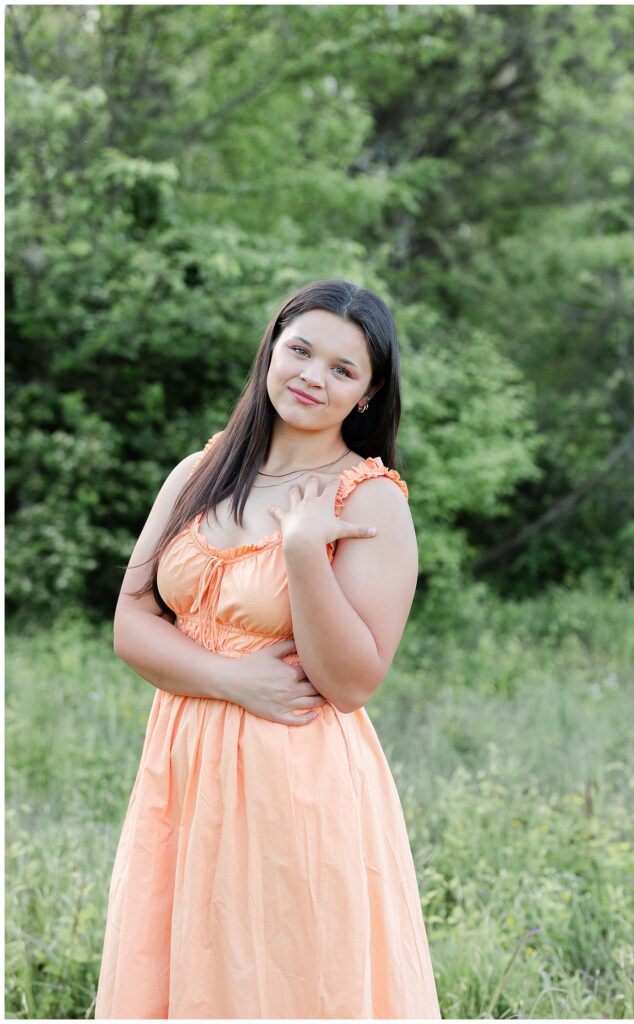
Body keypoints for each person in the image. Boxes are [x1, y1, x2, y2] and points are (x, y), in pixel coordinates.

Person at [94, 279, 442, 1019]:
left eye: (344, 370)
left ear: (368, 396)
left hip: (294, 778)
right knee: (182, 969)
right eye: (301, 350)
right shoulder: (200, 472)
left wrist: (304, 555)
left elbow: (351, 682)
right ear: (272, 352)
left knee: (283, 979)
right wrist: (226, 678)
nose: (314, 377)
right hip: (182, 772)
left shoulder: (369, 499)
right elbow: (131, 621)